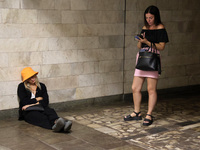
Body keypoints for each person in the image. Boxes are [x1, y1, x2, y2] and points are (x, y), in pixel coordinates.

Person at [124, 5, 169, 126]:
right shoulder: (145, 27)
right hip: (142, 58)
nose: (148, 20)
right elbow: (139, 47)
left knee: (151, 89)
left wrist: (147, 42)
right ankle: (137, 112)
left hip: (153, 59)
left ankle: (149, 114)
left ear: (156, 17)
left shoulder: (160, 28)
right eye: (147, 18)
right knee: (135, 88)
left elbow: (161, 47)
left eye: (151, 18)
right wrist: (140, 40)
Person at [17, 67, 72, 132]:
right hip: (28, 111)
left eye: (33, 76)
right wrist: (37, 99)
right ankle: (62, 127)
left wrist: (31, 104)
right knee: (39, 116)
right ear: (26, 79)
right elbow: (24, 102)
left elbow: (45, 101)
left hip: (41, 107)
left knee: (50, 111)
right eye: (30, 78)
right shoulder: (21, 87)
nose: (33, 79)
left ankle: (57, 122)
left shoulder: (42, 86)